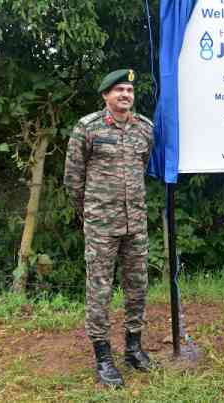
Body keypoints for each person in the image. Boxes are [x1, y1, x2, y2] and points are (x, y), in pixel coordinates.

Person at [64, 68, 154, 387]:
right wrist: (90, 214)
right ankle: (103, 355)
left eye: (129, 90)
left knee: (137, 285)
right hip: (101, 226)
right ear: (105, 95)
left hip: (135, 224)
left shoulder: (145, 129)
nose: (125, 95)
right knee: (99, 289)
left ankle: (133, 347)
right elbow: (73, 180)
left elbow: (141, 167)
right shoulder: (87, 128)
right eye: (118, 90)